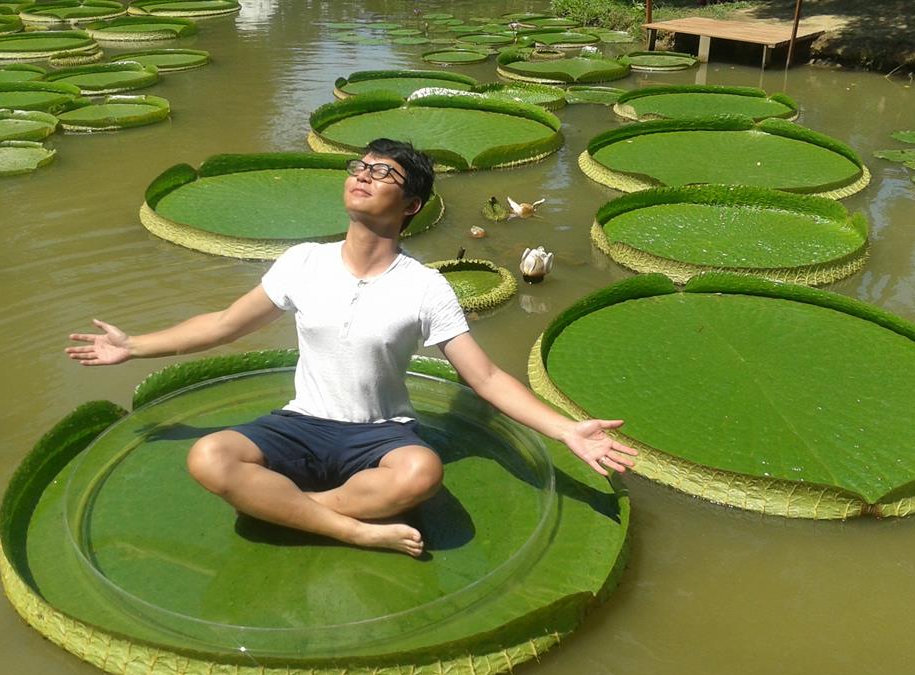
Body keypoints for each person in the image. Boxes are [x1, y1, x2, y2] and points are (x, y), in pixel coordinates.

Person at [66, 138, 636, 558]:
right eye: (358, 166)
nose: (362, 175)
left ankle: (283, 509)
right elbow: (222, 324)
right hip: (302, 423)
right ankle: (351, 528)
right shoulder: (303, 262)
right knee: (208, 456)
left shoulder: (425, 286)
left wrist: (565, 430)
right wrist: (132, 346)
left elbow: (484, 378)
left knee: (421, 472)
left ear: (410, 204)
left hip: (380, 433)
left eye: (382, 173)